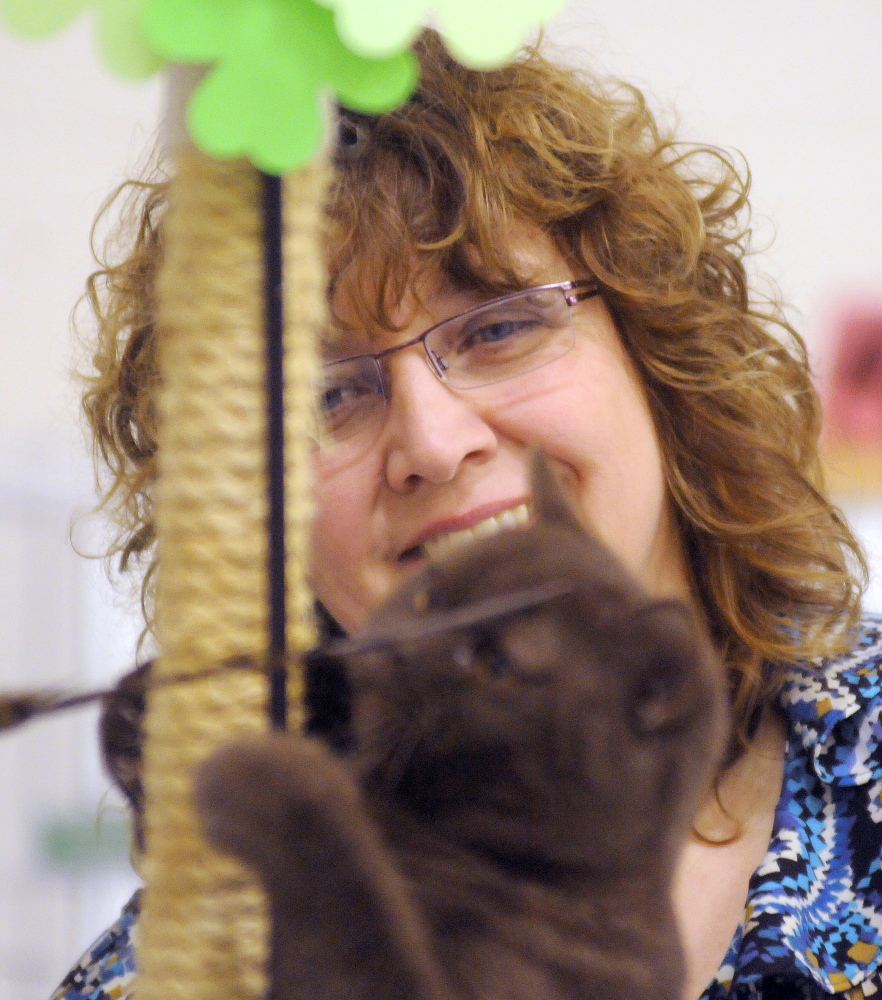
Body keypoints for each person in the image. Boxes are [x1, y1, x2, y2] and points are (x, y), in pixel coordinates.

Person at [56, 28, 881, 1000]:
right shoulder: (191, 965)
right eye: (329, 396)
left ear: (660, 360)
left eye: (499, 327)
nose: (435, 443)